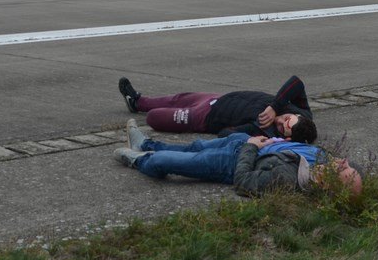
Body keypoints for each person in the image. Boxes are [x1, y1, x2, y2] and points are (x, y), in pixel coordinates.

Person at [114, 126, 362, 197]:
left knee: (168, 161)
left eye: (344, 170)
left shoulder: (288, 181)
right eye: (348, 165)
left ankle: (141, 160)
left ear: (327, 185)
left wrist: (251, 147)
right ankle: (145, 145)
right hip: (247, 142)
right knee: (194, 146)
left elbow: (243, 181)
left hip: (234, 160)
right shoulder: (324, 160)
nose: (344, 162)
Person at [117, 75, 317, 142]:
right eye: (286, 118)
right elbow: (296, 82)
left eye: (283, 127)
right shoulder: (302, 113)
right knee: (178, 98)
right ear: (297, 115)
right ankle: (137, 102)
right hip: (216, 99)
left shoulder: (265, 131)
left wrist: (253, 135)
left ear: (286, 137)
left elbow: (224, 134)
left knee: (154, 118)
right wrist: (275, 107)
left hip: (205, 118)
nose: (280, 121)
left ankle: (142, 107)